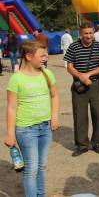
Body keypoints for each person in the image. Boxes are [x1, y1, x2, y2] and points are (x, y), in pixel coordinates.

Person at [4, 39, 59, 197]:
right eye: (42, 55)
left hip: (45, 128)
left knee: (41, 166)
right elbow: (11, 107)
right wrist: (10, 133)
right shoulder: (16, 79)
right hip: (26, 130)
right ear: (28, 56)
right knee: (32, 168)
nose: (46, 57)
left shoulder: (48, 74)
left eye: (46, 54)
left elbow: (55, 96)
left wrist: (54, 116)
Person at [64, 22, 99, 156]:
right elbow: (69, 66)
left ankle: (97, 143)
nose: (88, 36)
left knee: (98, 114)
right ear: (80, 33)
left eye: (90, 33)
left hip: (95, 84)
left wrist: (88, 75)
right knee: (80, 115)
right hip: (79, 85)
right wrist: (80, 77)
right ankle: (82, 145)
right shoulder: (73, 47)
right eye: (86, 33)